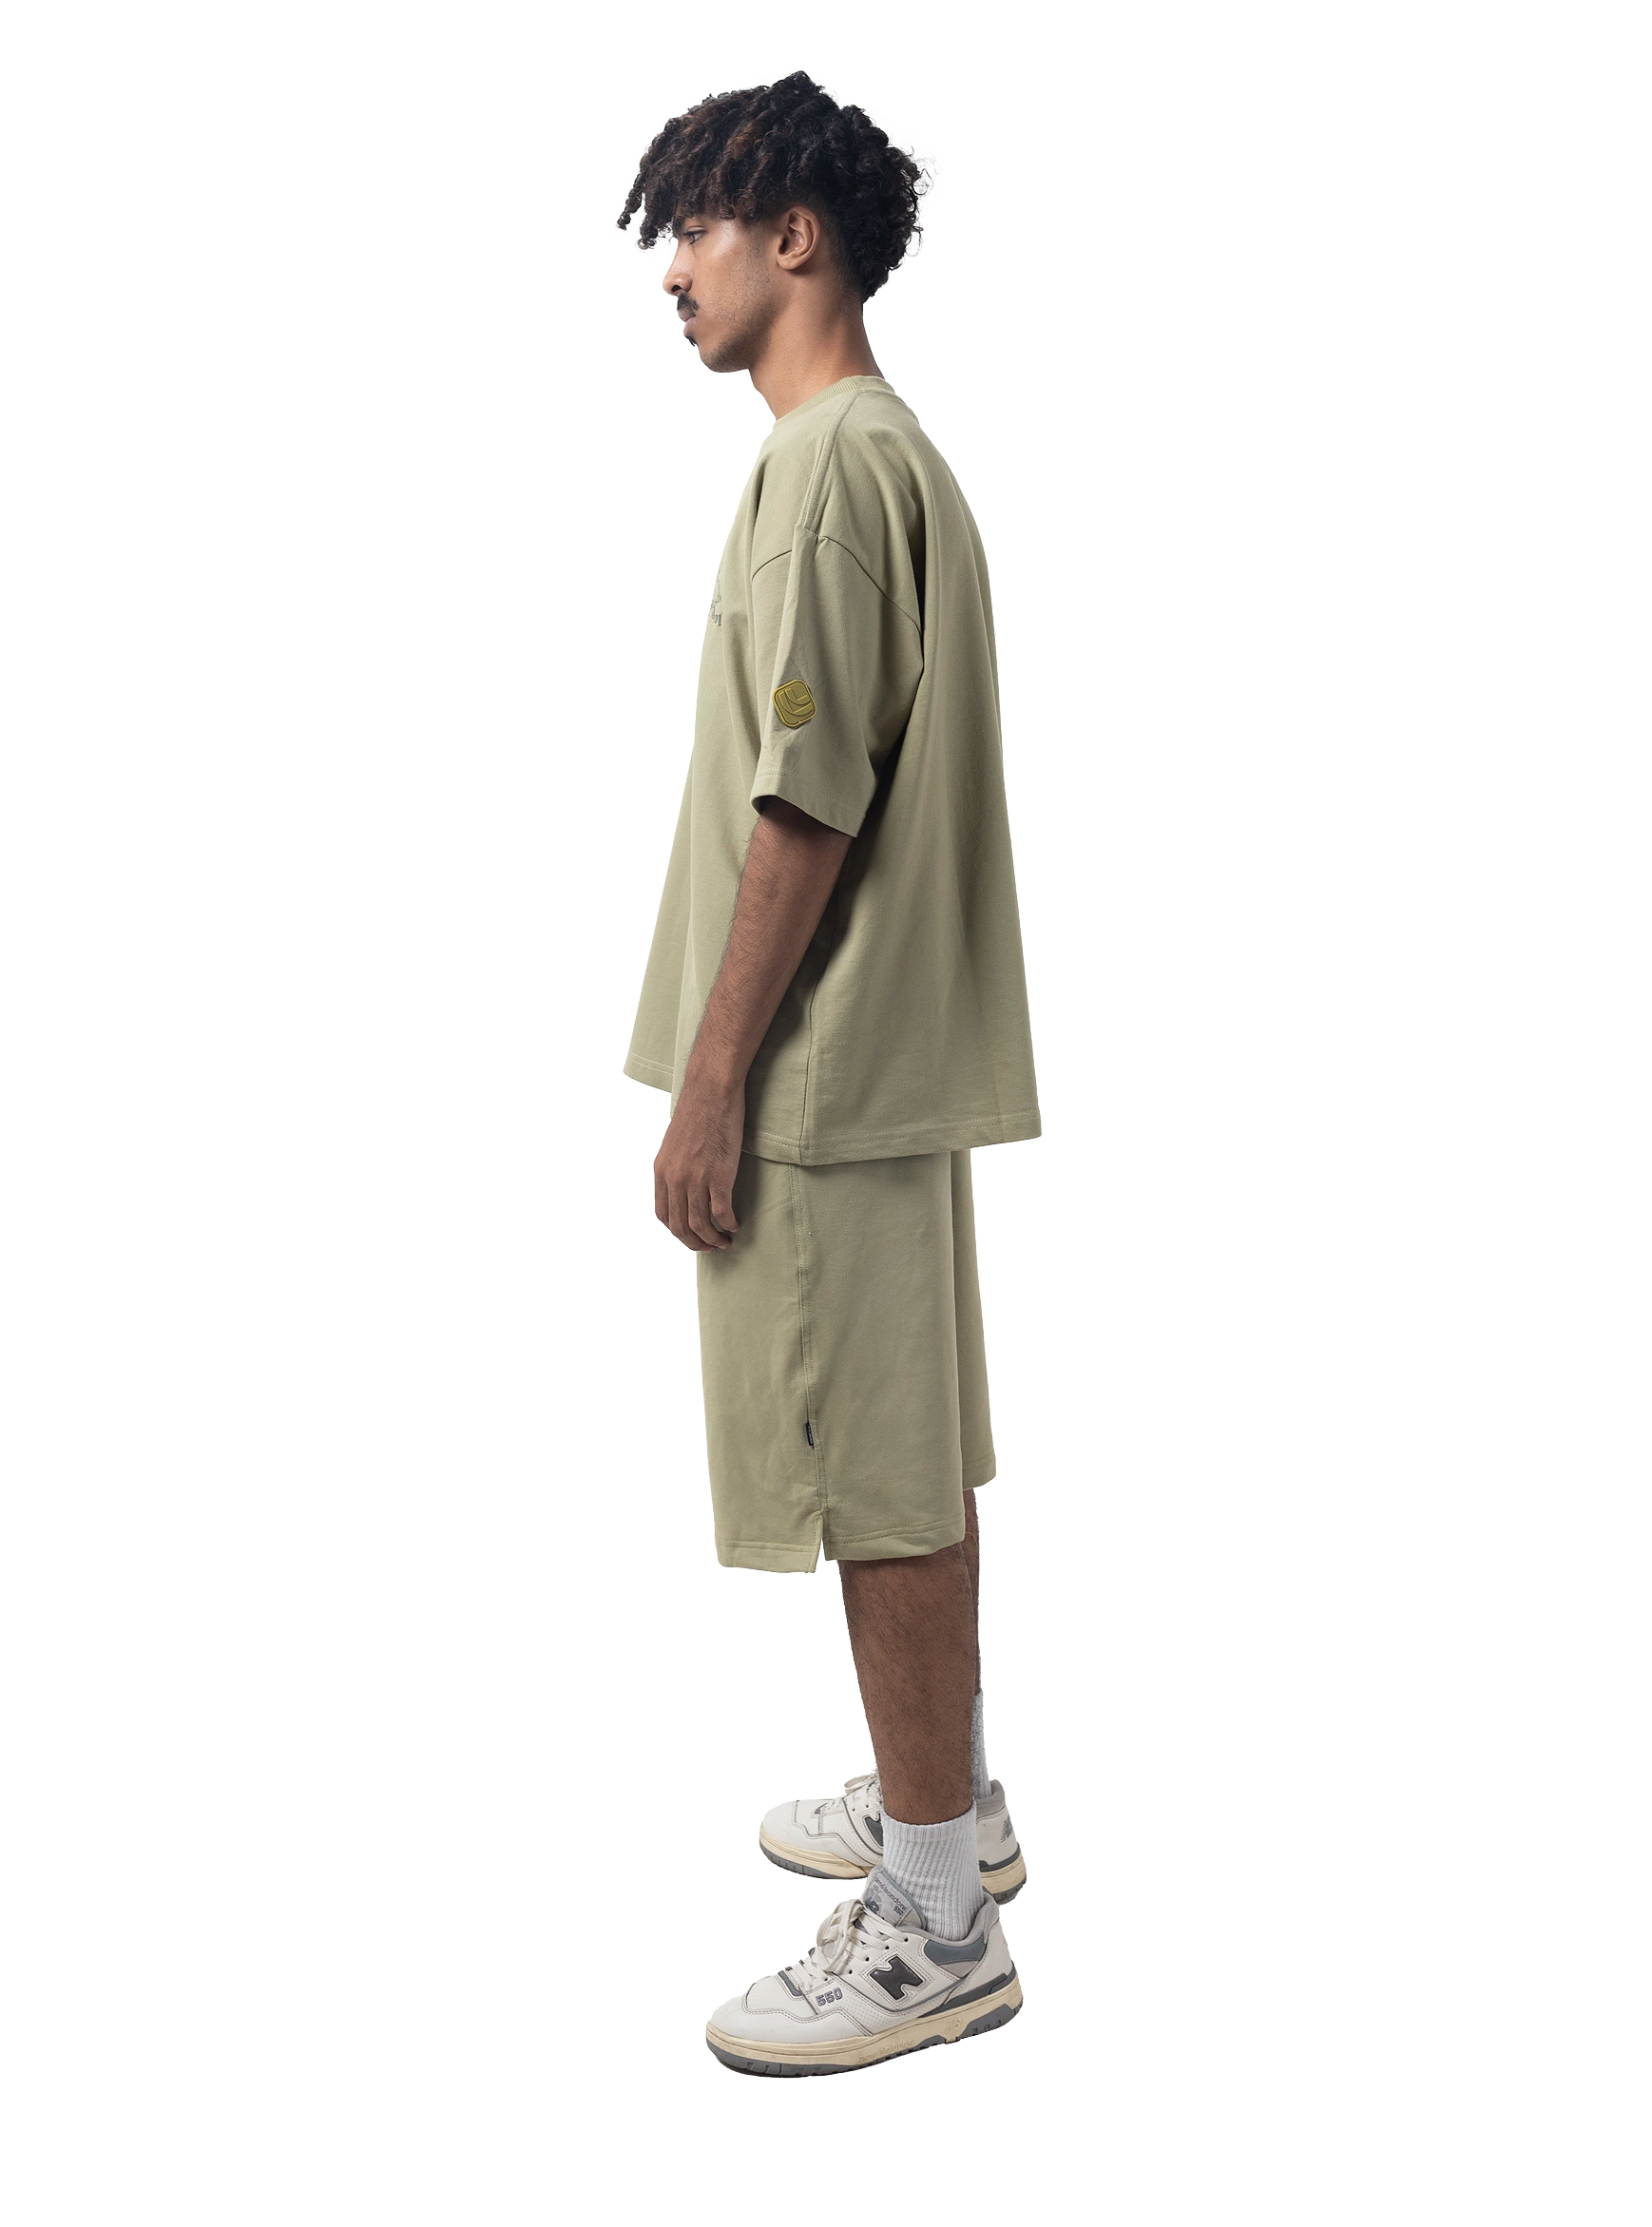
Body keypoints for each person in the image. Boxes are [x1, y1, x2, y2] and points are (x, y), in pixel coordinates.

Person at [616, 69, 1041, 2079]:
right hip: (883, 1065)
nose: (670, 274)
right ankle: (941, 1799)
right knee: (909, 1460)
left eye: (692, 228)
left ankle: (934, 1917)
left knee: (875, 1488)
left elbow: (806, 803)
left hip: (824, 1078)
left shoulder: (824, 470)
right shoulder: (886, 453)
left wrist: (711, 1091)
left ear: (797, 237)